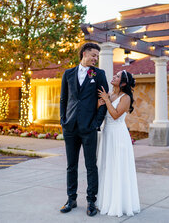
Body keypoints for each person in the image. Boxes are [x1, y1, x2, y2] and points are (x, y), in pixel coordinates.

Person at [59, 42, 109, 217]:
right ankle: (71, 199)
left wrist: (96, 123)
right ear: (84, 54)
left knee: (90, 166)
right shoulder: (68, 73)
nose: (96, 59)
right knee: (71, 166)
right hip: (70, 127)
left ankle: (91, 201)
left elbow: (104, 100)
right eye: (93, 55)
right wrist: (63, 120)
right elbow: (64, 99)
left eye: (97, 56)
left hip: (89, 128)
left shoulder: (99, 74)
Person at [96, 70, 140, 217]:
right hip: (107, 133)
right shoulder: (110, 94)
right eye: (114, 75)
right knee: (106, 166)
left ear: (123, 83)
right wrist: (100, 103)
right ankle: (105, 201)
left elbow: (115, 115)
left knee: (117, 167)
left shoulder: (125, 97)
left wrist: (106, 100)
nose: (113, 77)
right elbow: (102, 114)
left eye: (117, 76)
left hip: (118, 136)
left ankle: (119, 203)